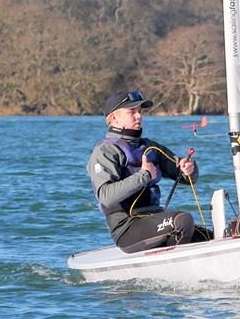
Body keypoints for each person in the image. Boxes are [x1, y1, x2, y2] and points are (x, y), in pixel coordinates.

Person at [87, 90, 209, 253]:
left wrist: (190, 169)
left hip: (154, 220)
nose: (139, 116)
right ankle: (173, 275)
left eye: (140, 111)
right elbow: (106, 197)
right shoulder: (105, 151)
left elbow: (188, 178)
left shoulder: (150, 147)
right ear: (114, 118)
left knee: (210, 237)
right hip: (127, 228)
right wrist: (143, 176)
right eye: (132, 112)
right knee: (182, 221)